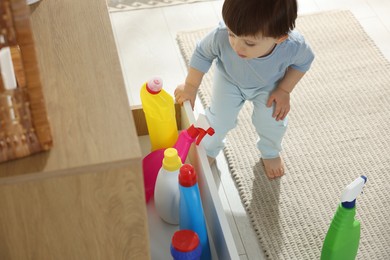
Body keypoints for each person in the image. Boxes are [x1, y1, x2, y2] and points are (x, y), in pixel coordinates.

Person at [174, 0, 314, 179]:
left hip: (269, 86)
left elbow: (304, 62)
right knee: (218, 119)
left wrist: (284, 90)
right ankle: (208, 149)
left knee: (272, 121)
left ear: (279, 38)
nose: (236, 46)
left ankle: (270, 151)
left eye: (249, 43)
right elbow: (203, 52)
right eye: (232, 34)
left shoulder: (293, 46)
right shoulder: (221, 35)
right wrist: (191, 86)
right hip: (229, 80)